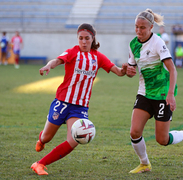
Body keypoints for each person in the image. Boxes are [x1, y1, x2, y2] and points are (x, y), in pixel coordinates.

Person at [30, 23, 127, 175]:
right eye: (80, 38)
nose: (83, 41)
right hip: (62, 102)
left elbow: (119, 72)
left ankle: (40, 164)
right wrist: (49, 66)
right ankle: (41, 139)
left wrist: (125, 70)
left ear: (92, 38)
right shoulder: (72, 52)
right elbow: (56, 60)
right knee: (47, 137)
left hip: (80, 107)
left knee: (74, 140)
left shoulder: (99, 57)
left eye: (87, 38)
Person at [125, 9, 183, 174]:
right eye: (136, 27)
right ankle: (145, 164)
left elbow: (173, 70)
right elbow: (131, 68)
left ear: (151, 27)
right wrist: (128, 71)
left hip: (162, 95)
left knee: (162, 140)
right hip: (144, 93)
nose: (139, 30)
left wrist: (170, 94)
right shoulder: (133, 44)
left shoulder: (158, 42)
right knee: (134, 131)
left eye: (142, 27)